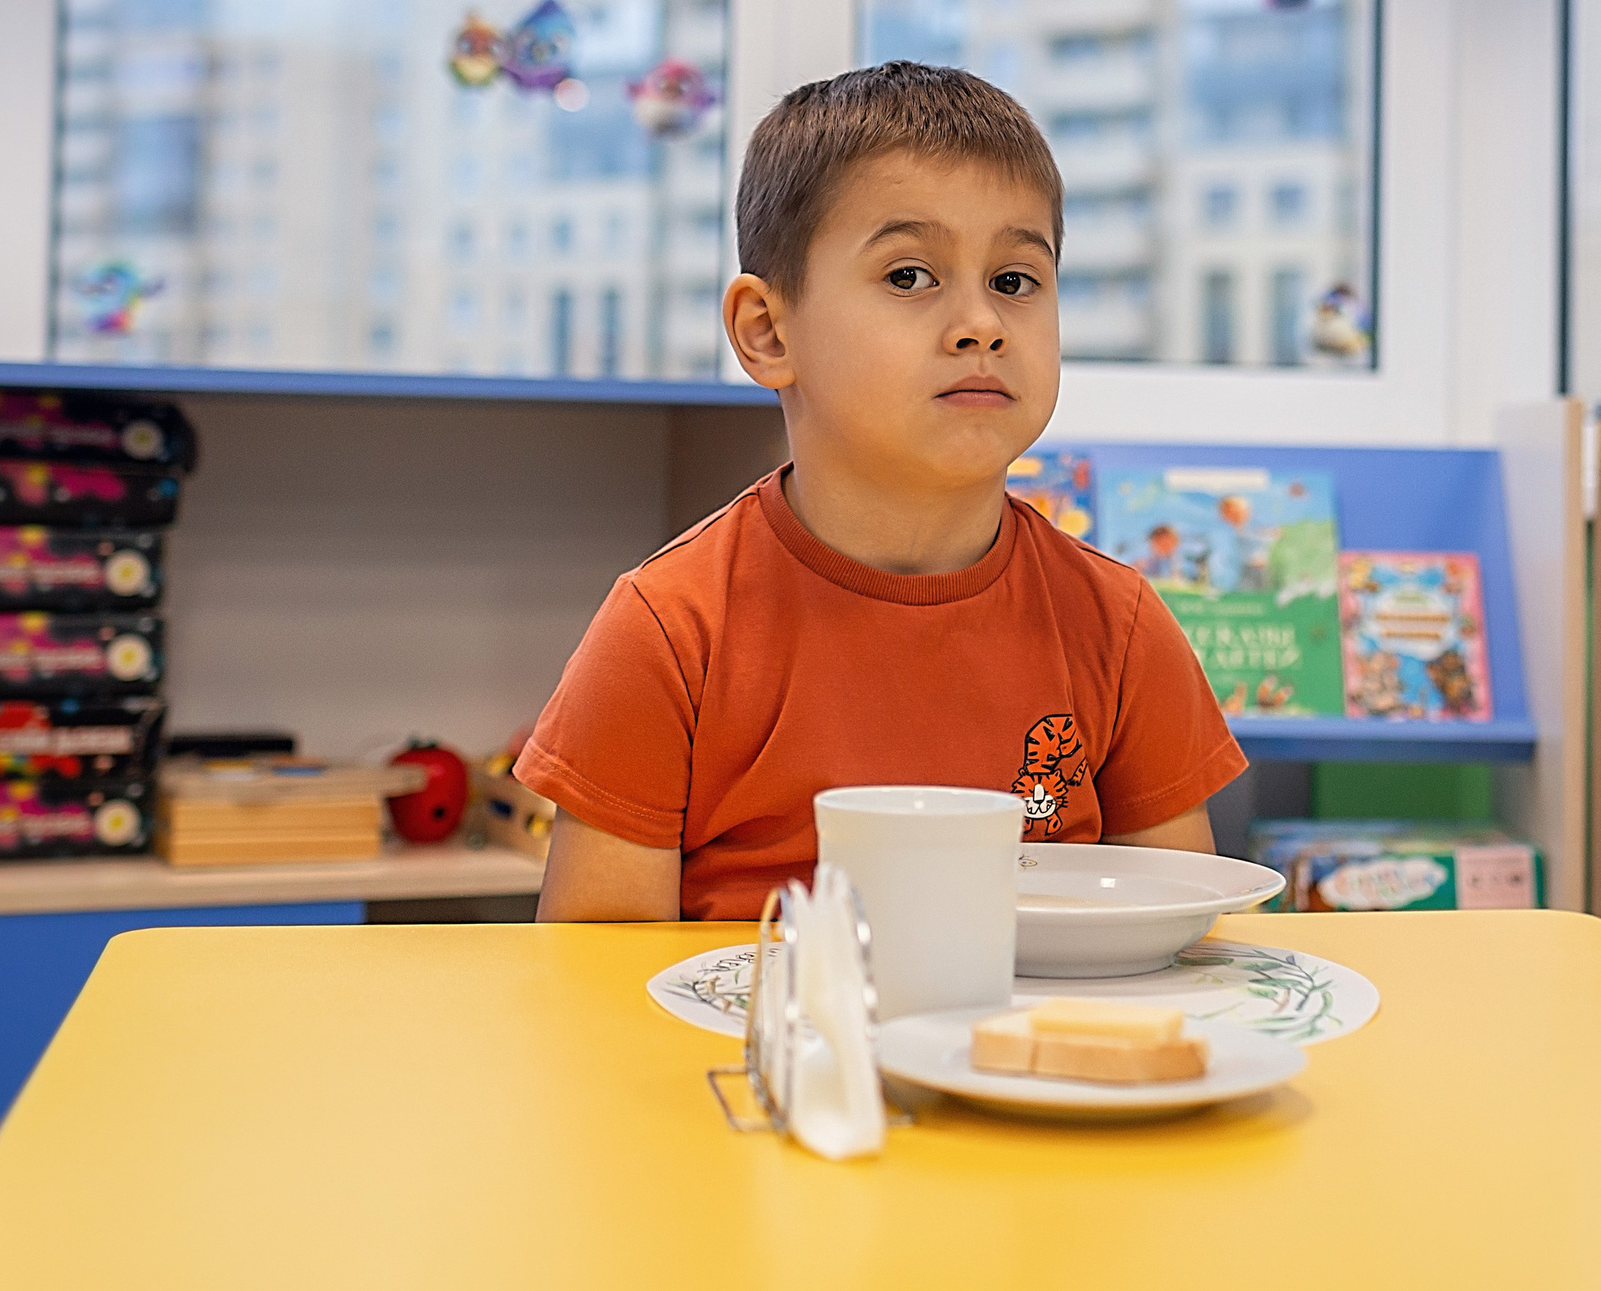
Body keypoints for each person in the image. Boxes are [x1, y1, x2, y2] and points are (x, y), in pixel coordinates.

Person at [517, 61, 1248, 920]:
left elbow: (1197, 957)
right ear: (766, 331)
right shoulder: (669, 633)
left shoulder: (1120, 630)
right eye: (909, 276)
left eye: (1015, 281)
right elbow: (594, 994)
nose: (982, 322)